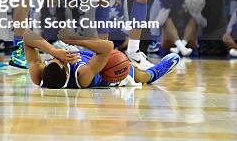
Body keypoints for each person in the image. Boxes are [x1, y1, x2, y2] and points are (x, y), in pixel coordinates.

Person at [24, 33, 180, 89]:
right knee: (137, 74)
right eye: (60, 60)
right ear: (66, 70)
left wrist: (52, 51)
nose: (59, 57)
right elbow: (108, 47)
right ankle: (155, 72)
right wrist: (75, 40)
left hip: (87, 56)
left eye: (53, 59)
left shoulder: (38, 75)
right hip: (105, 70)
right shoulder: (82, 76)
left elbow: (27, 37)